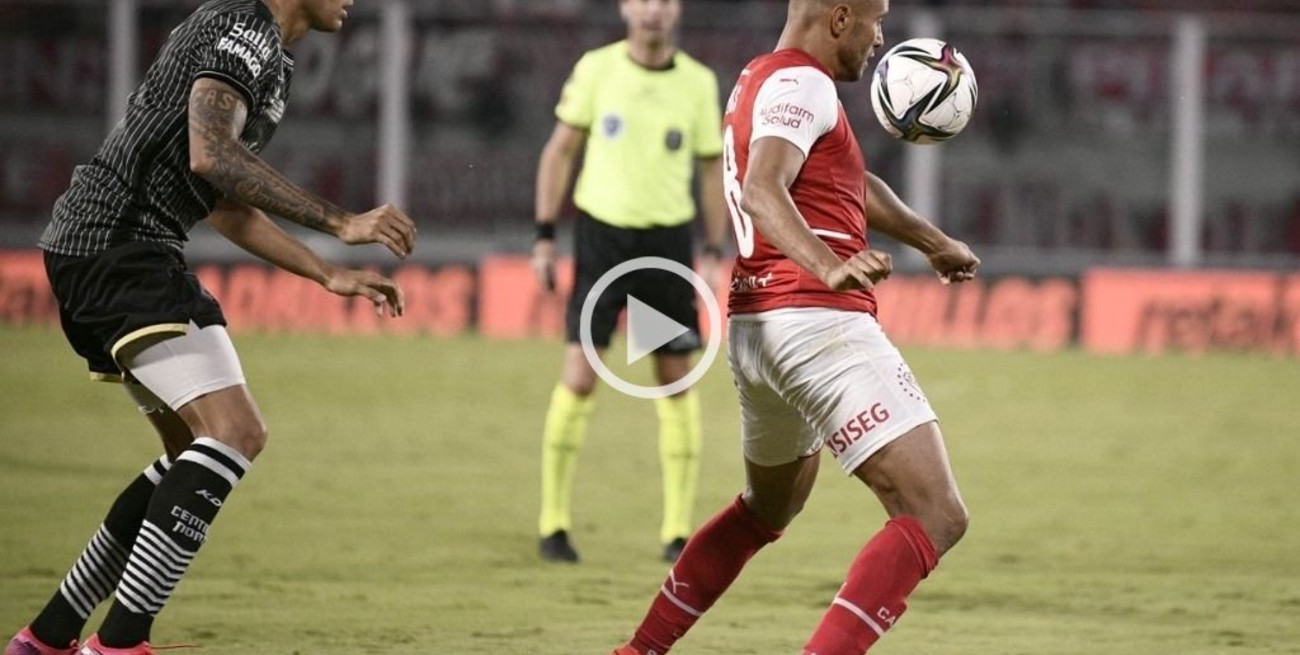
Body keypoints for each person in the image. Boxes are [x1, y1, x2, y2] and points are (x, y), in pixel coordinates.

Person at [5, 1, 417, 655]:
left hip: (106, 246)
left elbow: (225, 205)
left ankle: (47, 636)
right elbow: (212, 154)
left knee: (189, 456)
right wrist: (341, 221)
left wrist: (326, 272)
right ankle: (119, 644)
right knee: (235, 431)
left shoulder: (270, 56)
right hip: (121, 245)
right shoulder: (244, 31)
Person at [610, 0, 979, 653]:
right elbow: (762, 189)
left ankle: (637, 651)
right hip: (816, 324)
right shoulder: (803, 83)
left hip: (757, 331)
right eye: (875, 20)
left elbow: (849, 183)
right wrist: (829, 264)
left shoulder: (760, 77)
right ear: (839, 19)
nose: (879, 37)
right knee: (936, 513)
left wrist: (933, 241)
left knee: (767, 508)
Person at [530, 0, 728, 564]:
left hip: (665, 244)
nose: (653, 11)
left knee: (674, 380)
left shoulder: (697, 83)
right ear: (625, 8)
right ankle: (553, 524)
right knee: (580, 376)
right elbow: (559, 152)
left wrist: (713, 250)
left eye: (664, 1)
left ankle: (678, 533)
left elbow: (711, 170)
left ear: (678, 10)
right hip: (602, 240)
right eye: (643, 0)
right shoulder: (597, 69)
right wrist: (544, 235)